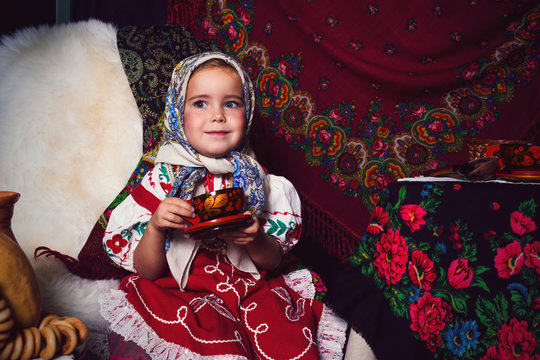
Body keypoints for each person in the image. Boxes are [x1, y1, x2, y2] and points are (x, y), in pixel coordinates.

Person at [99, 51, 346, 359]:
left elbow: (270, 262)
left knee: (280, 334)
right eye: (200, 103)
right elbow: (147, 271)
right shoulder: (161, 179)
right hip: (176, 291)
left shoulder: (261, 184)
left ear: (248, 112)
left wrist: (255, 238)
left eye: (231, 103)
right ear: (178, 112)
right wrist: (156, 227)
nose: (217, 115)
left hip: (247, 292)